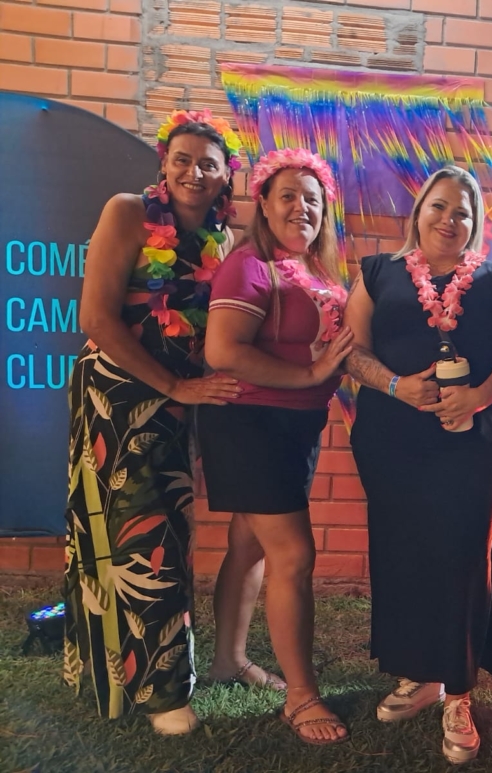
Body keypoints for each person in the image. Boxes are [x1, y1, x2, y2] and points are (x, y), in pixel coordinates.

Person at [64, 109, 242, 735]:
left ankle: (150, 675)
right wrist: (173, 386)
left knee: (169, 531)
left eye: (209, 164)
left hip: (176, 402)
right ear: (164, 164)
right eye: (183, 159)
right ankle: (154, 692)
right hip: (116, 393)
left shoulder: (223, 241)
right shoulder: (128, 212)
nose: (195, 172)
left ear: (226, 176)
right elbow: (97, 318)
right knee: (135, 537)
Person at [345, 165, 492, 765]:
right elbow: (353, 351)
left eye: (463, 212)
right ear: (419, 211)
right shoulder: (378, 272)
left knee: (461, 556)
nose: (450, 220)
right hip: (391, 439)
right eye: (439, 206)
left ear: (475, 225)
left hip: (469, 445)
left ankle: (459, 692)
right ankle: (418, 674)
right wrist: (395, 385)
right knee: (401, 553)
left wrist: (476, 398)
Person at [198, 148, 353, 745]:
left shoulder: (312, 268)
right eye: (287, 195)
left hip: (295, 428)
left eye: (313, 200)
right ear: (262, 203)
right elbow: (224, 351)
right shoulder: (249, 266)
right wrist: (310, 376)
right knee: (293, 555)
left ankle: (228, 660)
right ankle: (302, 697)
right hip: (251, 424)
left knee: (249, 543)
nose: (301, 208)